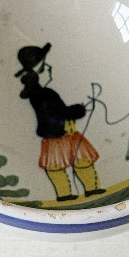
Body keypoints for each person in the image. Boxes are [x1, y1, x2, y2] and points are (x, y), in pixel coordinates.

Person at [15, 43, 103, 201]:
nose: (49, 69)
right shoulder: (45, 95)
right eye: (45, 66)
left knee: (76, 162)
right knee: (63, 165)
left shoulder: (42, 94)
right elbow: (58, 113)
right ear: (38, 72)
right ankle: (72, 193)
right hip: (57, 135)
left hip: (63, 134)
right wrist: (78, 111)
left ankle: (79, 191)